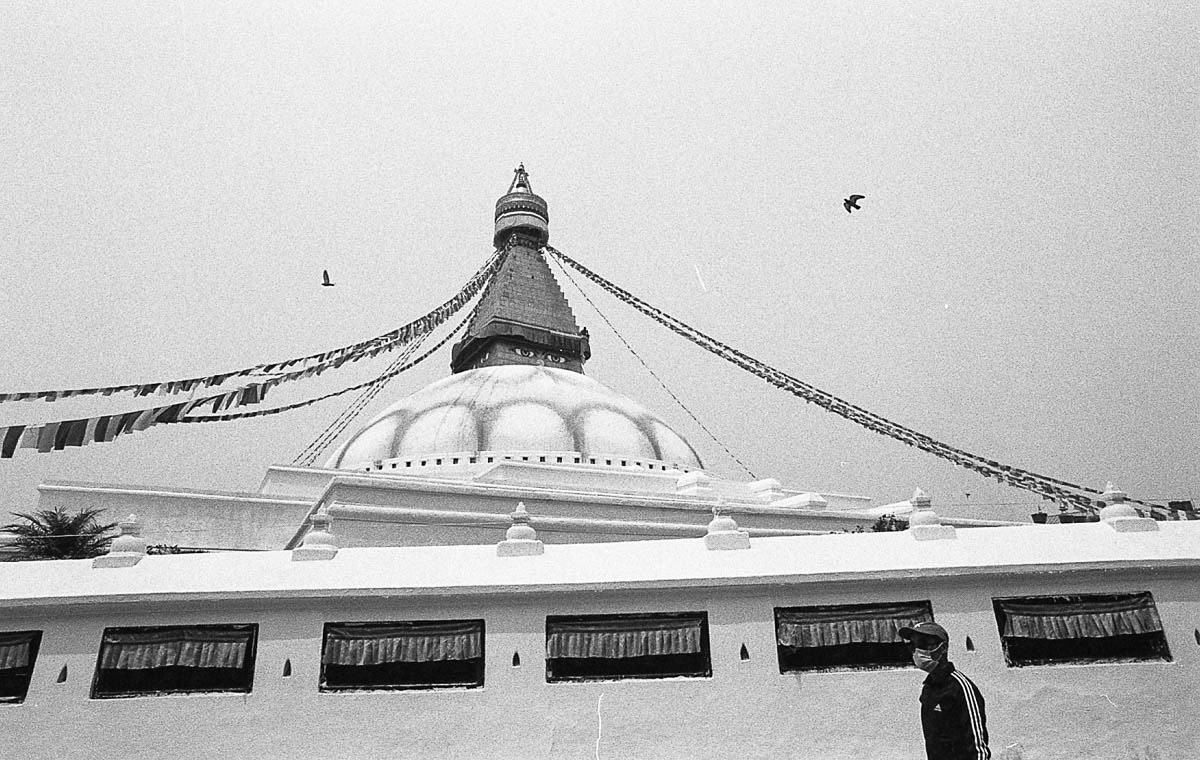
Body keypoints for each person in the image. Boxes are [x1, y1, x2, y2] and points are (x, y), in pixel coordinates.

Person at [898, 621, 991, 760]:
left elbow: (979, 750)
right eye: (913, 646)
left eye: (924, 643)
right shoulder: (929, 688)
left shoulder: (960, 688)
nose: (918, 651)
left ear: (943, 648)